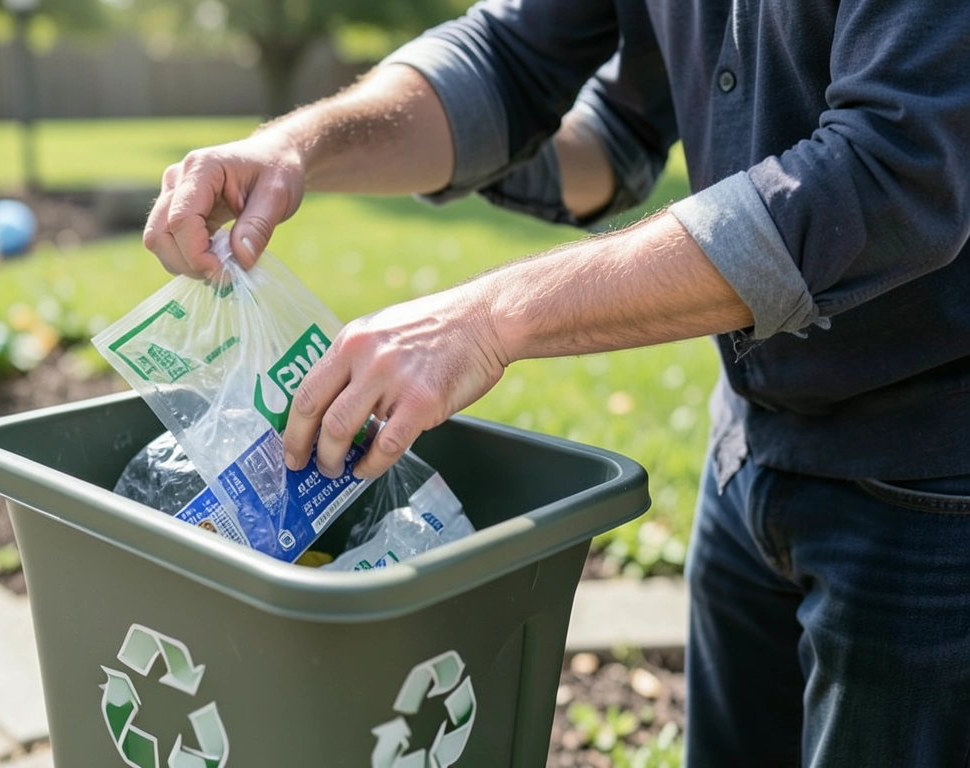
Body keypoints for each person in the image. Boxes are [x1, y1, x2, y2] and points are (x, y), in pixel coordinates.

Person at [142, 1, 970, 765]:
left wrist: (490, 317)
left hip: (932, 475)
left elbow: (893, 173)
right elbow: (516, 64)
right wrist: (299, 145)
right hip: (749, 442)